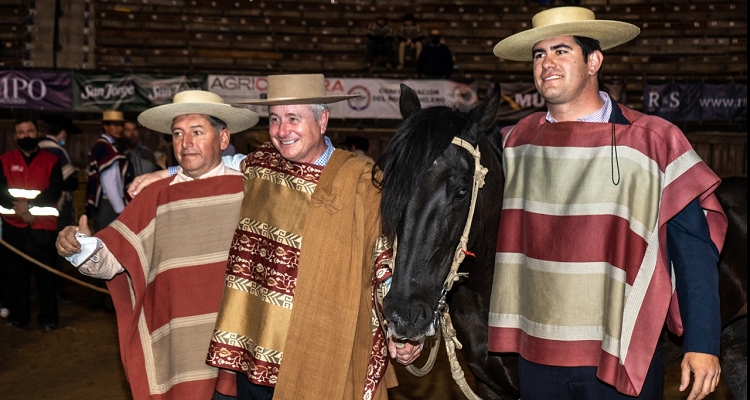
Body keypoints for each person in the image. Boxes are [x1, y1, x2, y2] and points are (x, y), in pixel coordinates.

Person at [128, 74, 421, 400]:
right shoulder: (260, 166)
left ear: (322, 120)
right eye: (275, 119)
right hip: (254, 352)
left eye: (294, 118)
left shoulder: (362, 181)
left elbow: (384, 262)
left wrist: (404, 332)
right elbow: (213, 167)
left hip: (322, 350)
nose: (282, 131)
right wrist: (166, 173)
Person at [488, 7, 727, 400]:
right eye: (539, 54)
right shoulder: (513, 142)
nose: (546, 63)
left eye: (561, 51)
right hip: (536, 354)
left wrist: (702, 342)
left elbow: (693, 252)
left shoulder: (653, 141)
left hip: (621, 347)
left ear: (594, 61)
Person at [56, 90, 260, 400]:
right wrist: (80, 246)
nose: (185, 142)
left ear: (223, 139)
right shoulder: (154, 197)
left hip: (235, 346)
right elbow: (114, 260)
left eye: (197, 132)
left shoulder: (250, 193)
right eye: (177, 133)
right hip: (176, 341)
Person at [0, 117, 62, 331]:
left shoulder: (52, 161)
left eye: (29, 131)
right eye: (21, 132)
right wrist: (17, 208)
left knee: (46, 276)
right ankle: (19, 316)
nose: (25, 135)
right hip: (13, 228)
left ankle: (49, 319)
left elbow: (54, 191)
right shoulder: (4, 160)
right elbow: (0, 190)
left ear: (37, 132)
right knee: (16, 276)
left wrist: (29, 206)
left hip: (42, 228)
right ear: (15, 136)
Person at [38, 115, 81, 302]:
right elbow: (71, 180)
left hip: (37, 208)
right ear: (62, 133)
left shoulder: (37, 147)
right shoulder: (58, 151)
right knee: (58, 249)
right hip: (57, 207)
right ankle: (54, 291)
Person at [86, 110, 131, 232]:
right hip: (108, 203)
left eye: (121, 125)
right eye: (115, 125)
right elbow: (109, 182)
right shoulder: (106, 148)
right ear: (105, 126)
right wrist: (121, 210)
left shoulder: (102, 146)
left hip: (103, 203)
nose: (119, 129)